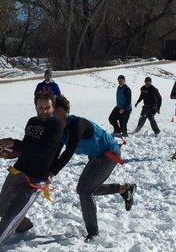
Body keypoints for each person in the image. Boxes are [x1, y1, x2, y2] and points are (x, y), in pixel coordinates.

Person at [0, 92, 63, 252]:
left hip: (35, 179)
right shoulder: (32, 122)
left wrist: (14, 142)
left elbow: (41, 149)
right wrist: (9, 152)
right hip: (18, 171)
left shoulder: (56, 126)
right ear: (35, 107)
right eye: (40, 107)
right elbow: (27, 147)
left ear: (53, 107)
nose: (44, 111)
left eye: (47, 107)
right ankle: (24, 225)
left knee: (10, 217)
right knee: (2, 211)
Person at [51, 95, 136, 242]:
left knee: (84, 190)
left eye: (51, 109)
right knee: (88, 189)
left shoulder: (77, 124)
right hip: (96, 156)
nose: (48, 113)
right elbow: (56, 151)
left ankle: (93, 233)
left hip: (109, 154)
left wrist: (52, 173)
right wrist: (46, 170)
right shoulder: (60, 128)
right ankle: (124, 189)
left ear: (60, 110)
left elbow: (68, 151)